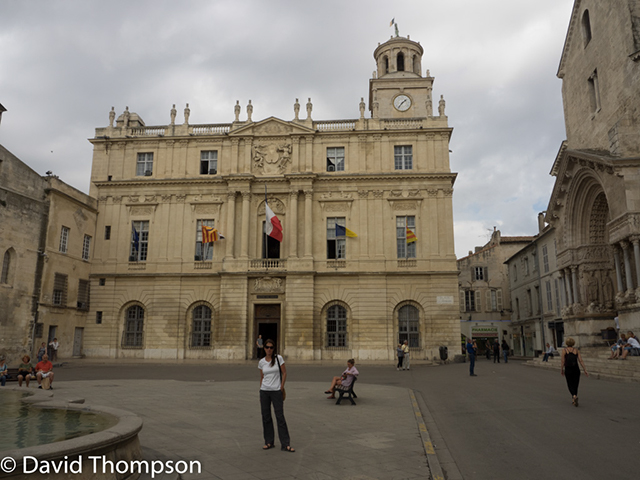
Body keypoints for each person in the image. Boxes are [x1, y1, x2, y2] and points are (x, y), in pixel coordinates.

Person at [258, 340, 294, 453]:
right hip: (264, 391)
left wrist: (281, 387)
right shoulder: (261, 362)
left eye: (271, 347)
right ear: (264, 348)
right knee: (266, 417)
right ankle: (269, 441)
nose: (269, 349)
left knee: (280, 417)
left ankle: (285, 444)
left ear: (274, 348)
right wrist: (261, 389)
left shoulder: (279, 358)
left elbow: (284, 373)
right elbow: (262, 377)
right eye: (267, 347)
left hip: (276, 391)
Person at [561, 337, 588, 406]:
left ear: (567, 343)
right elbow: (580, 360)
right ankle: (574, 397)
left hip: (568, 369)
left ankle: (574, 396)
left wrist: (562, 369)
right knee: (576, 383)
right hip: (576, 369)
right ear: (573, 343)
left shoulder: (564, 350)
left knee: (570, 383)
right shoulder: (576, 350)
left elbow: (563, 361)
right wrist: (584, 369)